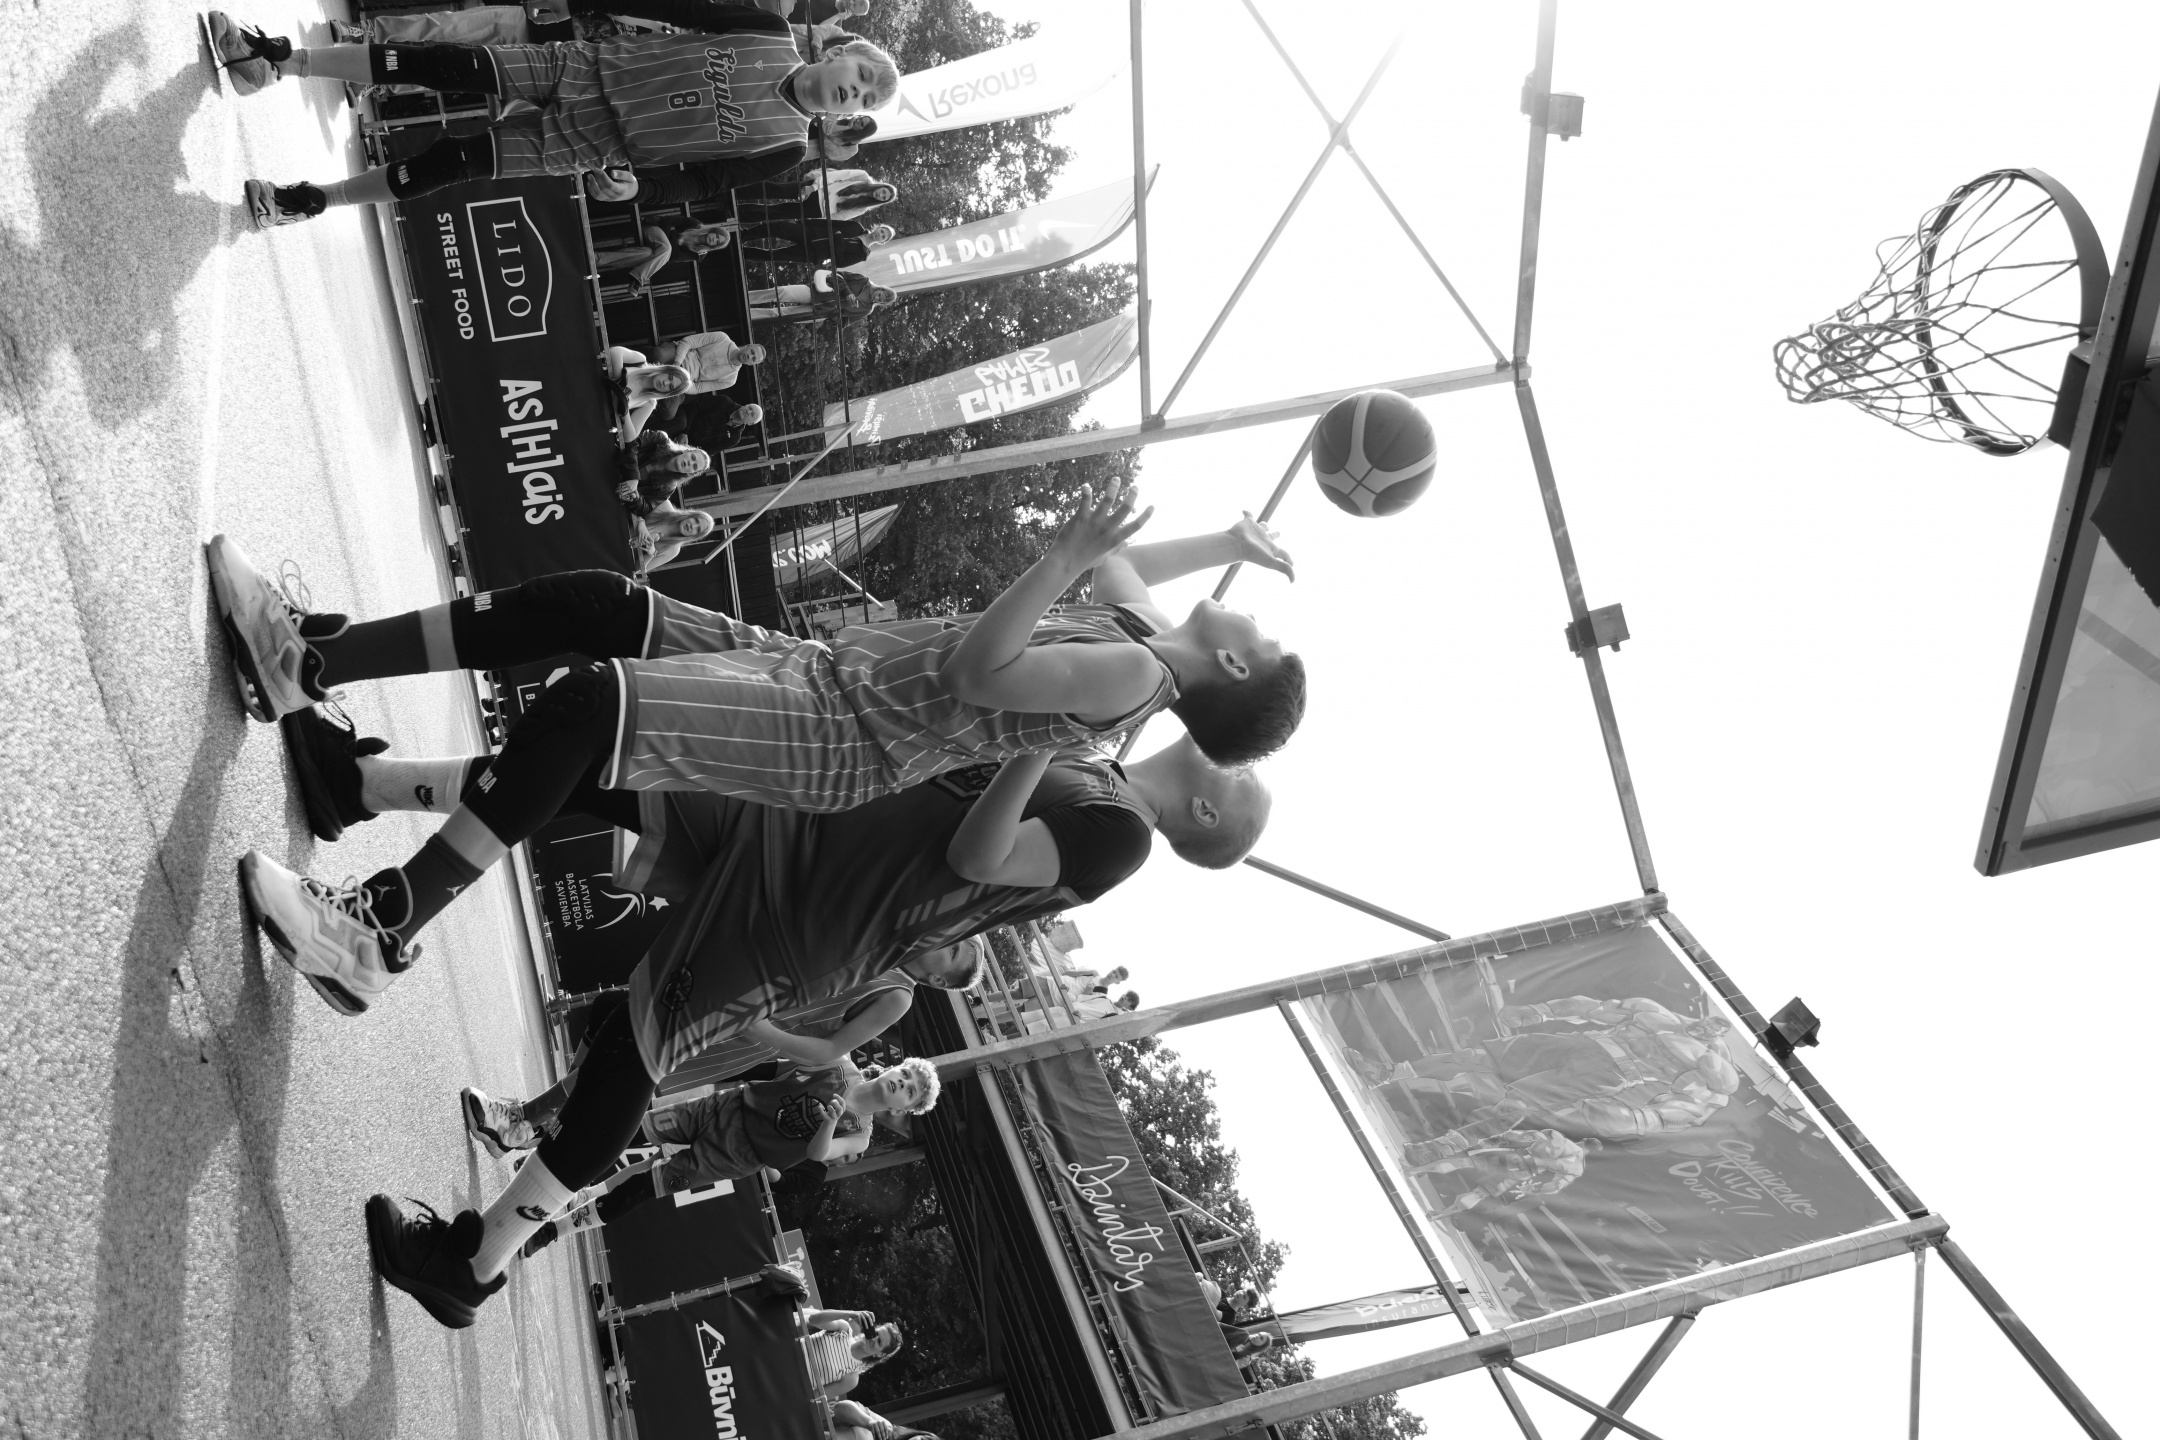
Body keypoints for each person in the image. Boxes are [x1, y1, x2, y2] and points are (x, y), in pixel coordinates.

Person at [212, 490, 1303, 982]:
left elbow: (980, 672)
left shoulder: (1134, 677)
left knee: (590, 709)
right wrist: (1223, 539)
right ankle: (311, 660)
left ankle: (383, 928)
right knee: (599, 604)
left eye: (1261, 632)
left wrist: (1054, 562)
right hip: (826, 674)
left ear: (1235, 668)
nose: (1251, 612)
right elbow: (1120, 569)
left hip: (843, 732)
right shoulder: (1143, 644)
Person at [203, 4, 899, 229]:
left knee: (451, 163)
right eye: (863, 77)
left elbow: (703, 184)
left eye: (867, 101)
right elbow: (674, 6)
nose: (856, 94)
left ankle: (307, 201)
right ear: (842, 52)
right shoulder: (766, 29)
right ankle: (278, 60)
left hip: (593, 142)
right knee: (444, 64)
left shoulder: (785, 149)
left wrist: (641, 191)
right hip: (586, 65)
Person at [802, 1307, 903, 1398]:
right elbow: (813, 1319)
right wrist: (851, 1313)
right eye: (876, 1333)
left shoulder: (851, 1379)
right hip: (792, 1349)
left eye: (879, 1341)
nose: (873, 1338)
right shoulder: (843, 1329)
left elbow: (812, 1397)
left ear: (880, 1354)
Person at [740, 167, 897, 223]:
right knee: (776, 190)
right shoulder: (862, 176)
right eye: (884, 191)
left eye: (883, 198)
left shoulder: (863, 208)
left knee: (775, 213)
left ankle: (737, 215)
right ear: (882, 186)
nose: (880, 195)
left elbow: (838, 217)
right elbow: (836, 176)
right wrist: (813, 187)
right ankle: (737, 190)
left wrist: (815, 219)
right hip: (815, 190)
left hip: (816, 210)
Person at [748, 268, 892, 323]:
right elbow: (837, 275)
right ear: (881, 289)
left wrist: (835, 318)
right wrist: (847, 292)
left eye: (881, 301)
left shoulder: (867, 310)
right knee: (782, 292)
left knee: (780, 315)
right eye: (880, 295)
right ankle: (747, 298)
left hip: (820, 312)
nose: (877, 298)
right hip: (816, 292)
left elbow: (845, 321)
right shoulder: (863, 280)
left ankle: (749, 315)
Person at [649, 330, 766, 395]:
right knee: (658, 354)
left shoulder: (731, 380)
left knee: (669, 412)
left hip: (684, 380)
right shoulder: (722, 338)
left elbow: (698, 388)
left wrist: (682, 385)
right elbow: (688, 342)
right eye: (752, 351)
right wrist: (676, 366)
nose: (749, 356)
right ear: (748, 345)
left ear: (751, 364)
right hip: (678, 355)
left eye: (753, 358)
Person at [632, 504, 717, 573]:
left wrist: (651, 553)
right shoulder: (665, 506)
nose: (693, 526)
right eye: (696, 520)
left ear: (695, 536)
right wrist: (640, 521)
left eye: (698, 529)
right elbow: (631, 504)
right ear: (691, 515)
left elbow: (637, 570)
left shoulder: (673, 550)